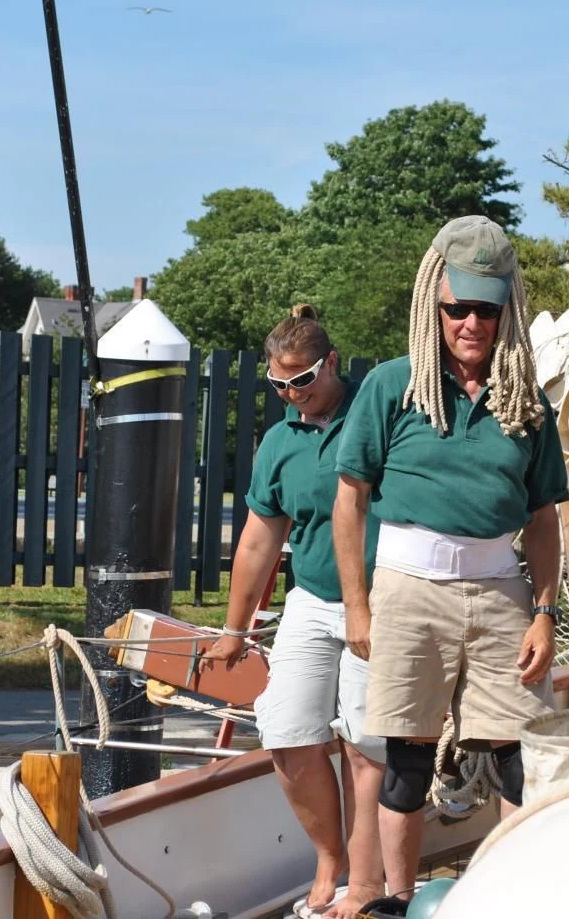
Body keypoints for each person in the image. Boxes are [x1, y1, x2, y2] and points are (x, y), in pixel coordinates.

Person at [331, 215, 568, 910]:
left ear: (505, 312)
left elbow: (544, 517)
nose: (470, 323)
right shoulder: (391, 387)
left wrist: (545, 612)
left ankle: (515, 899)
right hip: (408, 589)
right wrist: (356, 606)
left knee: (514, 758)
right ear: (432, 306)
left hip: (500, 592)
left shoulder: (525, 400)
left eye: (485, 310)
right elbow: (350, 500)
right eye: (456, 308)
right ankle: (398, 902)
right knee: (405, 765)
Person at [202, 305, 385, 919]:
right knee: (285, 732)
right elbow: (258, 543)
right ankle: (329, 855)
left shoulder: (377, 410)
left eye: (302, 381)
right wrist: (234, 630)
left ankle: (365, 883)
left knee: (364, 745)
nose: (291, 395)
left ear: (331, 362)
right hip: (310, 598)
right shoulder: (280, 441)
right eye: (279, 385)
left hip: (381, 599)